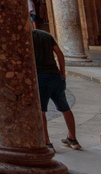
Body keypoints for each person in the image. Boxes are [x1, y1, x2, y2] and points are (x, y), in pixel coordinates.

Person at [31, 15, 80, 150]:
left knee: (41, 111)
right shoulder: (47, 36)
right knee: (65, 107)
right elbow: (59, 54)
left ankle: (47, 142)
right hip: (55, 75)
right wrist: (62, 72)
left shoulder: (27, 39)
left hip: (40, 76)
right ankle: (73, 138)